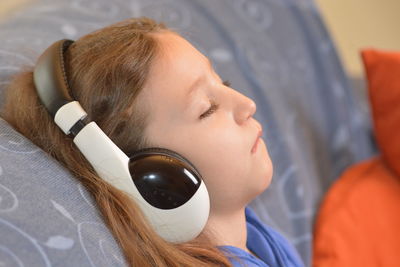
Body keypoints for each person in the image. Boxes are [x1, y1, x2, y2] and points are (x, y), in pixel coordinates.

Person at [1, 17, 304, 267]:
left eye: (224, 84)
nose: (247, 104)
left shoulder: (258, 239)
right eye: (207, 108)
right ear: (149, 176)